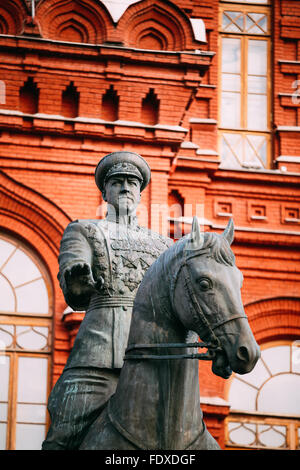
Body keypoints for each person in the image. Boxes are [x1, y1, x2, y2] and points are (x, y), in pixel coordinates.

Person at [42, 151, 173, 450]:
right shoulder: (84, 230)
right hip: (98, 356)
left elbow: (178, 301)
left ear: (140, 192)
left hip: (153, 361)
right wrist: (77, 277)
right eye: (117, 182)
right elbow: (75, 287)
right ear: (105, 191)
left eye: (132, 182)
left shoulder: (164, 246)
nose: (125, 187)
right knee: (64, 434)